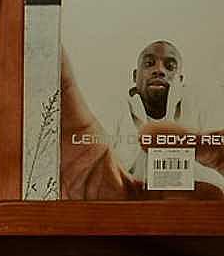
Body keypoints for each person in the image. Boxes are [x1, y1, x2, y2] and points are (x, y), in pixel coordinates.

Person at [60, 44, 224, 199]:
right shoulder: (115, 108)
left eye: (170, 66)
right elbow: (100, 166)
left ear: (180, 80)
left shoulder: (200, 110)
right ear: (135, 76)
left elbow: (214, 181)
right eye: (149, 63)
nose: (159, 70)